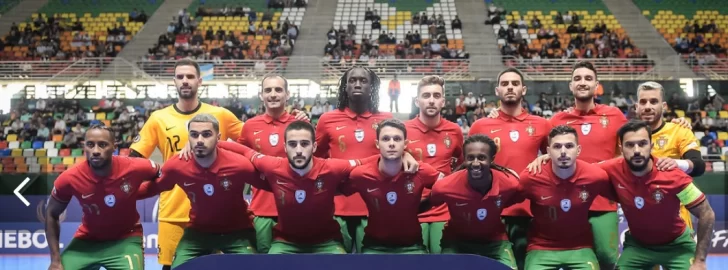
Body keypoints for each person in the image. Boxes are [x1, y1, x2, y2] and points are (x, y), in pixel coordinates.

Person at [216, 121, 419, 254]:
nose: (298, 150)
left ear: (314, 147)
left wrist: (404, 153)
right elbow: (242, 150)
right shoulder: (272, 165)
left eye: (304, 144)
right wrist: (206, 143)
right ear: (284, 147)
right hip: (286, 243)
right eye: (293, 144)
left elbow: (369, 159)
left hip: (327, 243)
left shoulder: (331, 167)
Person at [129, 59, 244, 270]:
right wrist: (160, 173)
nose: (185, 81)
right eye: (180, 77)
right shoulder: (158, 118)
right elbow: (134, 158)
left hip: (216, 215)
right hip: (173, 212)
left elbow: (253, 140)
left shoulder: (220, 115)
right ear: (174, 81)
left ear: (200, 81)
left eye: (190, 77)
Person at [140, 114, 261, 268]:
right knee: (178, 267)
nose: (199, 140)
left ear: (219, 137)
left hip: (238, 232)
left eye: (206, 134)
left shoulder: (239, 164)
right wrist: (124, 194)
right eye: (194, 135)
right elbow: (154, 187)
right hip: (198, 234)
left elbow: (270, 184)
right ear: (188, 137)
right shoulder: (176, 165)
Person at [598, 120, 714, 270]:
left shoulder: (672, 175)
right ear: (621, 148)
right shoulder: (611, 168)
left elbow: (707, 213)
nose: (637, 150)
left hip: (677, 246)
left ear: (651, 146)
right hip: (637, 247)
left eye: (642, 143)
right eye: (630, 145)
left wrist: (700, 261)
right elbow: (581, 171)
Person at [46, 125, 161, 270]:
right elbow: (51, 213)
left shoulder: (135, 167)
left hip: (125, 239)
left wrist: (137, 193)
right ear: (84, 147)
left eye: (102, 145)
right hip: (87, 242)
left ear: (114, 147)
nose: (95, 151)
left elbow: (162, 176)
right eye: (90, 145)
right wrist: (55, 261)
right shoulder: (69, 178)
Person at [468, 67, 551, 269]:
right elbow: (469, 168)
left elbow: (555, 157)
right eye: (505, 84)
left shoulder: (541, 124)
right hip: (490, 209)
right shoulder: (480, 126)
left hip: (528, 209)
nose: (510, 87)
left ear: (524, 89)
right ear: (497, 91)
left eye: (515, 84)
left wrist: (546, 156)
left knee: (522, 264)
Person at [315, 66, 393, 253]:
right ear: (345, 86)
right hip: (338, 205)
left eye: (363, 80)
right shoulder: (327, 120)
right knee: (338, 262)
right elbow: (317, 160)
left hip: (375, 205)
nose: (357, 84)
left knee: (372, 263)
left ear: (372, 87)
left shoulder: (386, 119)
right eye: (352, 80)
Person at [520, 125, 615, 270]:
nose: (563, 152)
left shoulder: (595, 176)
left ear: (578, 150)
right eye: (557, 147)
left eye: (569, 146)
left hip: (580, 247)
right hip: (541, 248)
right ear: (548, 151)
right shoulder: (530, 177)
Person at [342, 119, 440, 254]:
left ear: (405, 144)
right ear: (377, 144)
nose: (392, 144)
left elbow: (447, 186)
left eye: (397, 139)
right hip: (374, 246)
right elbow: (333, 188)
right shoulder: (360, 175)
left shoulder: (421, 171)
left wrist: (426, 203)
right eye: (386, 139)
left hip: (412, 246)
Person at [235, 75, 307, 253]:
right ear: (261, 95)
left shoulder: (300, 125)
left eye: (278, 90)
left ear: (287, 94)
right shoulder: (250, 126)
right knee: (265, 263)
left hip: (296, 210)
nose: (273, 94)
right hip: (261, 210)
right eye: (268, 90)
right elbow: (236, 161)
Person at [429, 135, 522, 269]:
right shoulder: (444, 186)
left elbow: (516, 198)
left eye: (482, 157)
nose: (476, 163)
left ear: (492, 159)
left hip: (495, 242)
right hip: (457, 243)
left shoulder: (510, 184)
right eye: (470, 158)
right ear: (464, 159)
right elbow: (433, 201)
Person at [634, 81, 706, 234]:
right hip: (640, 221)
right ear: (636, 107)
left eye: (654, 101)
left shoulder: (679, 131)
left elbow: (698, 166)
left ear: (664, 106)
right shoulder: (627, 137)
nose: (648, 106)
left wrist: (676, 163)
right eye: (643, 102)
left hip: (678, 222)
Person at [404, 75, 463, 254]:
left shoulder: (454, 130)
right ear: (417, 101)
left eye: (436, 96)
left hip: (444, 208)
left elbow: (461, 167)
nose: (431, 101)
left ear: (443, 101)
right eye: (426, 95)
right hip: (411, 207)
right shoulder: (403, 129)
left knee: (443, 261)